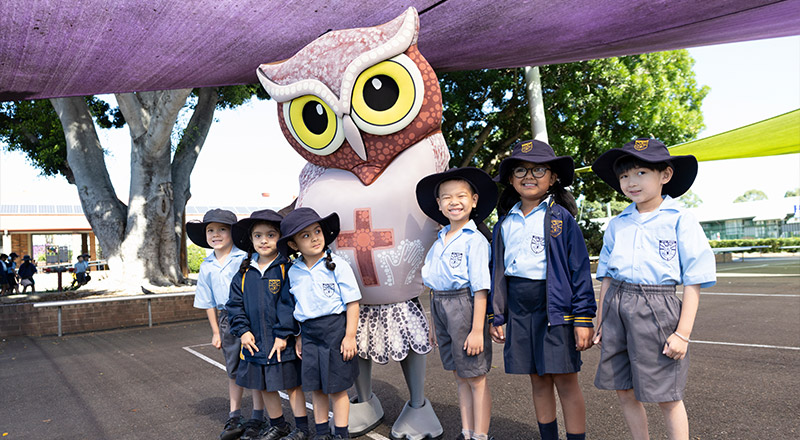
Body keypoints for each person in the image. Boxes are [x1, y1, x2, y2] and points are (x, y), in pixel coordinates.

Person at [591, 138, 716, 440]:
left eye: (640, 173)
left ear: (665, 175)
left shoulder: (680, 220)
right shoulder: (618, 223)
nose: (630, 182)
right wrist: (600, 321)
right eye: (623, 176)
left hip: (657, 307)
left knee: (667, 396)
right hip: (616, 304)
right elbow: (607, 276)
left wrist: (682, 333)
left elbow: (695, 279)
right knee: (624, 388)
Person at [487, 140, 595, 440]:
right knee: (537, 380)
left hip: (555, 309)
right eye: (520, 169)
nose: (528, 176)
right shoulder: (504, 222)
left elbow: (579, 271)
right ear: (510, 178)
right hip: (520, 309)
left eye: (539, 170)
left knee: (565, 381)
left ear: (553, 177)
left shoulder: (561, 219)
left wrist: (583, 318)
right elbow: (496, 272)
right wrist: (496, 316)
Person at [416, 167, 498, 440]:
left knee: (476, 378)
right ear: (438, 204)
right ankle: (466, 431)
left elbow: (480, 289)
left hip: (465, 306)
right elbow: (433, 286)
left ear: (474, 200)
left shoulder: (474, 240)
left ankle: (481, 435)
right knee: (460, 376)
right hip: (441, 306)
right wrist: (432, 322)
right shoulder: (440, 240)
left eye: (461, 195)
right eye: (446, 197)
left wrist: (477, 330)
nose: (454, 201)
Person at [276, 207, 361, 440]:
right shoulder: (294, 272)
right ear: (293, 245)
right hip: (310, 335)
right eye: (305, 235)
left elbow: (353, 303)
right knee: (317, 388)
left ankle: (340, 434)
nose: (314, 238)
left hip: (335, 331)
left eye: (317, 231)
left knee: (337, 389)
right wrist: (300, 337)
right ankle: (322, 433)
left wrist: (350, 336)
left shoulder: (337, 265)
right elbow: (298, 309)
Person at [226, 209, 310, 440]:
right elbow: (234, 305)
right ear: (251, 240)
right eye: (258, 235)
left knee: (292, 385)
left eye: (271, 235)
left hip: (281, 341)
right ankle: (278, 424)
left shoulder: (288, 269)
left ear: (280, 238)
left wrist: (284, 335)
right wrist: (243, 331)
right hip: (254, 343)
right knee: (264, 386)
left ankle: (302, 428)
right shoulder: (243, 273)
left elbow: (290, 305)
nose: (264, 240)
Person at [188, 209, 262, 440]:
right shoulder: (207, 265)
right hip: (226, 318)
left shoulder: (246, 257)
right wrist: (215, 332)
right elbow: (208, 301)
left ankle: (258, 415)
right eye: (211, 230)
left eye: (222, 229)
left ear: (233, 233)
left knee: (254, 366)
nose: (216, 234)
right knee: (233, 369)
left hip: (250, 316)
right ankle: (235, 414)